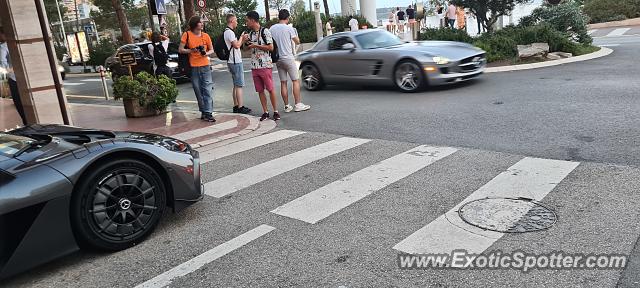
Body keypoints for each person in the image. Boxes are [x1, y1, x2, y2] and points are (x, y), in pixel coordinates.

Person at [271, 9, 311, 114]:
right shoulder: (289, 28)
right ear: (287, 18)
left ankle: (287, 106)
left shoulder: (272, 28)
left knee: (283, 82)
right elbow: (297, 41)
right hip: (288, 57)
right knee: (295, 80)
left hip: (278, 59)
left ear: (279, 17)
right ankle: (298, 104)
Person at [243, 11, 279, 121]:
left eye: (247, 20)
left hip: (265, 65)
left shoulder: (265, 31)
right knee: (260, 90)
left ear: (253, 20)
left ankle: (276, 111)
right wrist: (245, 42)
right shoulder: (250, 34)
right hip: (255, 66)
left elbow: (271, 47)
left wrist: (255, 45)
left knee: (270, 88)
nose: (246, 22)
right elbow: (245, 49)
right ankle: (265, 111)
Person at [179, 16, 216, 122]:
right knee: (198, 90)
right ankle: (204, 112)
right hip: (193, 67)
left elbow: (212, 49)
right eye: (200, 22)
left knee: (207, 89)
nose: (202, 24)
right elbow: (181, 49)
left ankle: (209, 112)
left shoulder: (206, 36)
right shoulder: (187, 35)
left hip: (205, 65)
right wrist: (191, 50)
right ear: (195, 24)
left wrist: (206, 53)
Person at [224, 14, 251, 114]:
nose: (237, 22)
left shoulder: (226, 32)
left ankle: (236, 105)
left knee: (235, 85)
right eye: (236, 20)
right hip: (235, 61)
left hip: (231, 61)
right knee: (239, 85)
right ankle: (240, 107)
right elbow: (237, 45)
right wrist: (242, 38)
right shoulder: (229, 33)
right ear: (231, 21)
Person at [0, 27, 26, 125]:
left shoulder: (3, 47)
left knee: (20, 104)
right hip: (26, 78)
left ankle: (27, 124)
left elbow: (2, 63)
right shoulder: (18, 43)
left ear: (3, 34)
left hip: (14, 79)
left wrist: (7, 69)